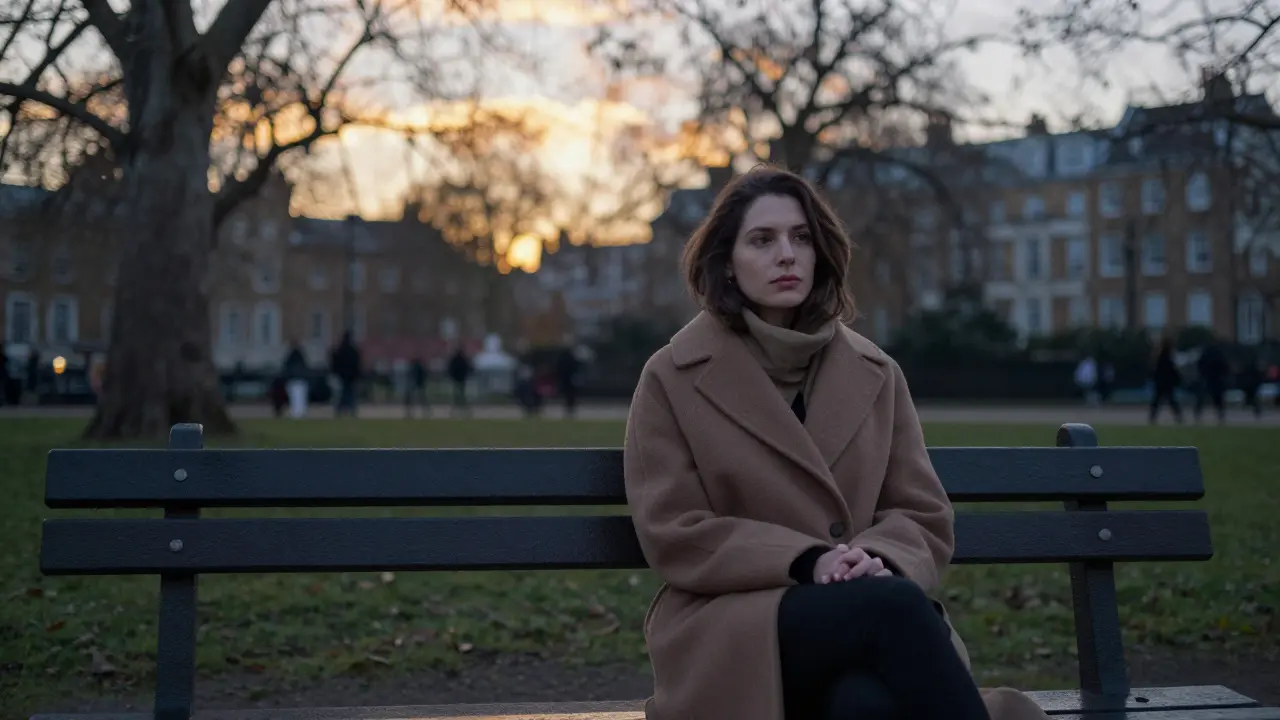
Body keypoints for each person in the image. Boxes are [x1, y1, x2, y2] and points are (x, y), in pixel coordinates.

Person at [623, 166, 1047, 720]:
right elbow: (675, 529)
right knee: (892, 610)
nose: (787, 254)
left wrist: (874, 558)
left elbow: (920, 512)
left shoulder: (875, 371)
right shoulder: (672, 375)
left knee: (863, 705)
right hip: (735, 627)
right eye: (762, 239)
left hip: (864, 613)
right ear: (727, 261)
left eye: (801, 238)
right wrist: (806, 561)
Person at [1149, 336, 1183, 425]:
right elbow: (1172, 370)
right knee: (1171, 400)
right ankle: (1178, 416)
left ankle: (1152, 417)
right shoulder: (1168, 357)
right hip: (1167, 383)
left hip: (1160, 382)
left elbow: (1155, 370)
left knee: (1157, 401)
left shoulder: (1159, 356)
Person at [330, 331, 362, 417]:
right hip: (351, 376)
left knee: (342, 394)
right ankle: (352, 410)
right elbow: (357, 364)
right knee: (350, 393)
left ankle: (339, 410)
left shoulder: (340, 350)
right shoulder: (354, 351)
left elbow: (335, 362)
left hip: (342, 376)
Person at [281, 341, 310, 419]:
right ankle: (300, 412)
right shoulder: (301, 357)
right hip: (300, 379)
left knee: (295, 398)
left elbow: (286, 367)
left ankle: (296, 412)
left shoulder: (290, 357)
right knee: (301, 398)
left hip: (293, 379)